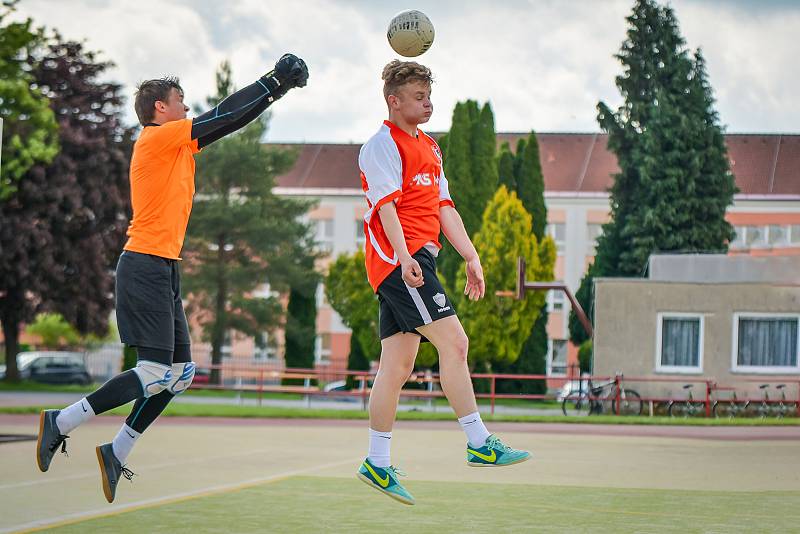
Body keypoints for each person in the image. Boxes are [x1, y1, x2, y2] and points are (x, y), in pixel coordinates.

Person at [35, 54, 309, 503]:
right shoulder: (157, 138)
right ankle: (61, 421)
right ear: (160, 108)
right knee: (153, 370)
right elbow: (219, 114)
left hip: (163, 266)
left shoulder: (178, 144)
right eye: (180, 101)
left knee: (180, 373)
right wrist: (271, 78)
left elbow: (227, 123)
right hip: (143, 264)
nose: (186, 108)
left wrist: (275, 91)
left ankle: (116, 450)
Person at [355, 60, 530, 506]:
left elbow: (443, 208)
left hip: (417, 260)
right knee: (455, 343)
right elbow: (386, 209)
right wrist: (405, 257)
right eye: (418, 97)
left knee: (396, 368)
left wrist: (470, 256)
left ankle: (376, 462)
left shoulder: (430, 148)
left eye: (430, 96)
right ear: (394, 101)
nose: (428, 103)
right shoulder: (381, 146)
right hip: (401, 262)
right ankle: (479, 442)